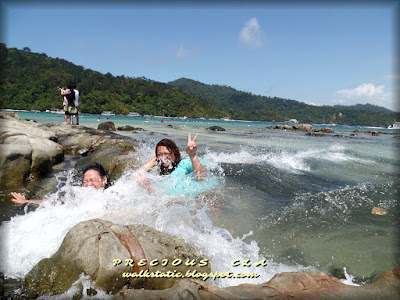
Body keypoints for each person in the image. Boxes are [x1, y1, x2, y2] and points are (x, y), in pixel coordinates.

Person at [10, 164, 111, 205]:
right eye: (85, 181)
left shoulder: (112, 196)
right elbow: (54, 202)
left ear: (104, 180)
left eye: (92, 180)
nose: (89, 184)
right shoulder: (79, 196)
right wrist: (28, 201)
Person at [138, 133, 206, 181]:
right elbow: (137, 175)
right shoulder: (164, 170)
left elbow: (201, 177)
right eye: (159, 154)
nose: (163, 157)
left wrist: (192, 155)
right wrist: (156, 159)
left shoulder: (185, 163)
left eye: (166, 153)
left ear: (175, 153)